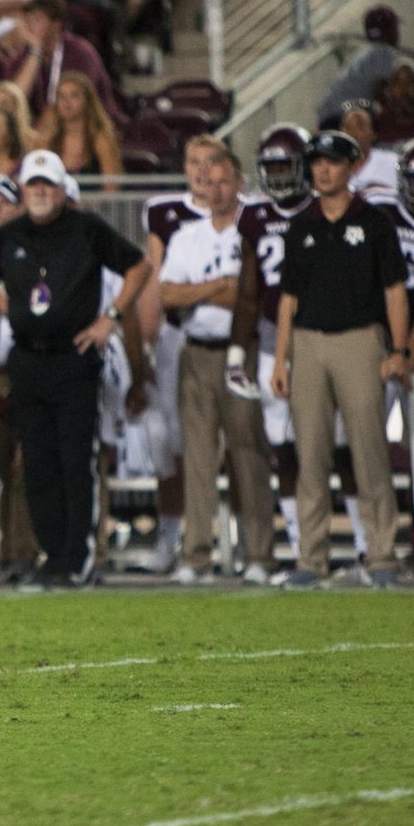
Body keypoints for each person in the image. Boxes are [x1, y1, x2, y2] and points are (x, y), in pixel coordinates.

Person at [0, 149, 149, 588]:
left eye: (47, 186)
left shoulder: (86, 229)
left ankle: (79, 557)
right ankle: (53, 555)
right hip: (28, 359)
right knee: (37, 462)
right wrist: (10, 309)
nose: (39, 193)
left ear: (60, 189)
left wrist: (110, 317)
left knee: (75, 459)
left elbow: (138, 266)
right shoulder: (10, 234)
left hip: (74, 357)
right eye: (33, 185)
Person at [269, 129, 413, 586]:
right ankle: (311, 559)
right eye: (315, 163)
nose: (322, 170)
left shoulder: (375, 222)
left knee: (369, 450)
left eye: (331, 162)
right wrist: (280, 360)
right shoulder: (301, 225)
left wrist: (399, 348)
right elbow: (288, 298)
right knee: (309, 454)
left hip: (359, 340)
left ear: (351, 167)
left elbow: (395, 289)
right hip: (309, 343)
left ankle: (382, 555)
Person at [159, 138, 276, 583]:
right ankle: (196, 556)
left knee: (249, 452)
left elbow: (254, 296)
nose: (218, 187)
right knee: (198, 458)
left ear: (240, 182)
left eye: (226, 179)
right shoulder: (188, 235)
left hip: (241, 351)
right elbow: (168, 293)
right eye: (210, 179)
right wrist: (218, 287)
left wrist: (207, 290)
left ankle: (260, 556)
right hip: (198, 352)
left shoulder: (256, 230)